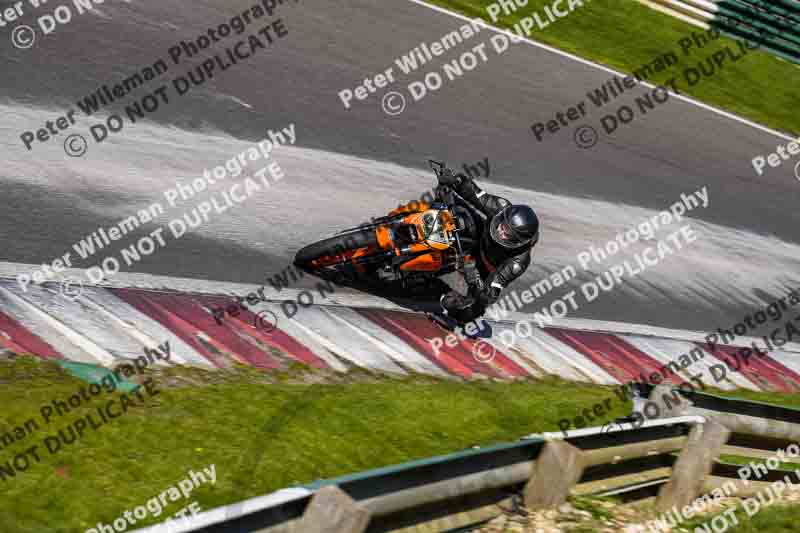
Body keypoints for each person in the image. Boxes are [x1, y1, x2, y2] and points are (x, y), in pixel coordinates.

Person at [434, 166, 540, 324]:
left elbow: (491, 293)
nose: (501, 231)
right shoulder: (501, 208)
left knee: (472, 309)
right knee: (450, 199)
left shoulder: (519, 261)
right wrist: (455, 180)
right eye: (503, 225)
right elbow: (476, 194)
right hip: (479, 238)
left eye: (508, 234)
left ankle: (455, 314)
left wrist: (474, 280)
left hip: (482, 270)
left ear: (518, 241)